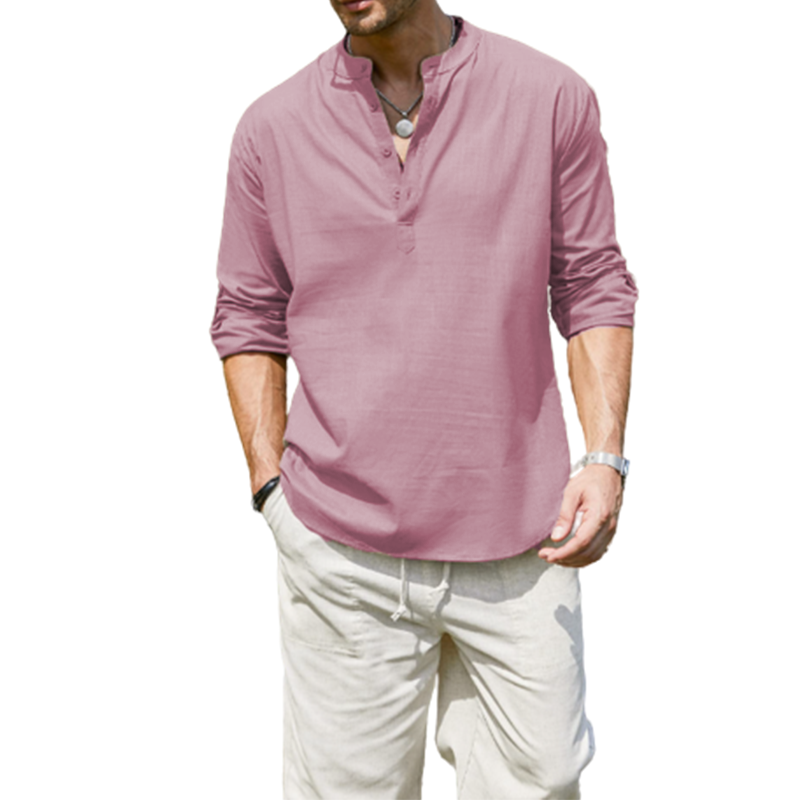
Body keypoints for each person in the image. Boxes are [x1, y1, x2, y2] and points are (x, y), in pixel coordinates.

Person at [210, 1, 637, 797]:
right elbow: (248, 314)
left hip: (523, 540)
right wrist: (271, 492)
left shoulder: (549, 95)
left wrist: (604, 459)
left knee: (543, 779)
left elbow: (592, 285)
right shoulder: (271, 127)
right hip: (341, 545)